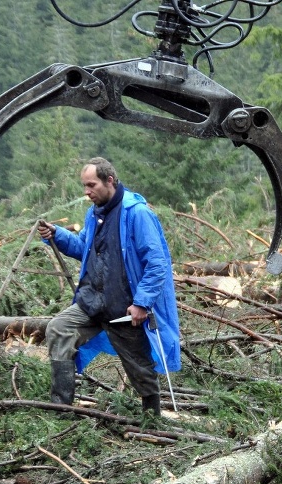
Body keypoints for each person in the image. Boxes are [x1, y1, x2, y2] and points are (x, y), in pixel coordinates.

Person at [38, 157, 181, 415]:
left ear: (110, 181)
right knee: (59, 329)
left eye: (91, 185)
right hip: (93, 302)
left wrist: (141, 303)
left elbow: (157, 263)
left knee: (139, 365)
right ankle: (60, 409)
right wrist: (57, 235)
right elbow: (84, 249)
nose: (86, 192)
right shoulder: (94, 214)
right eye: (84, 186)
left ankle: (152, 417)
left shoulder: (136, 213)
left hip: (124, 308)